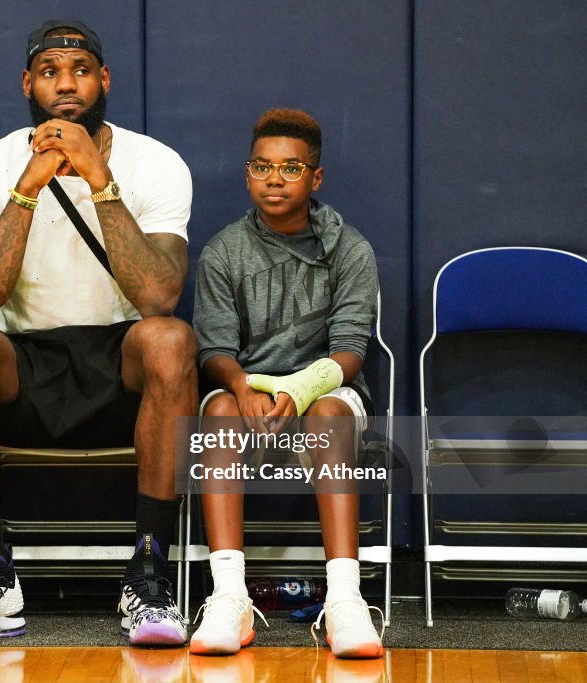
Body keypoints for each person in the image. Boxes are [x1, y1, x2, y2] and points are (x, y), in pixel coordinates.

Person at [0, 19, 197, 647]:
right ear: (29, 84)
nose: (66, 84)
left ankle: (149, 574)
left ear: (103, 79)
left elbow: (159, 295)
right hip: (27, 364)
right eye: (50, 72)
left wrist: (99, 180)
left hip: (121, 362)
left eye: (79, 71)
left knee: (171, 338)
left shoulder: (157, 164)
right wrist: (26, 190)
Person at [190, 108, 384, 658]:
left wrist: (298, 391)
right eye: (262, 166)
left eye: (291, 168)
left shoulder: (351, 249)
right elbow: (215, 352)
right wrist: (244, 387)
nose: (274, 178)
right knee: (220, 412)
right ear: (248, 173)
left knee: (326, 418)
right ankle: (230, 597)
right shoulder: (224, 250)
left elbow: (350, 352)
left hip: (324, 391)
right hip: (246, 388)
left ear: (315, 178)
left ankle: (345, 600)